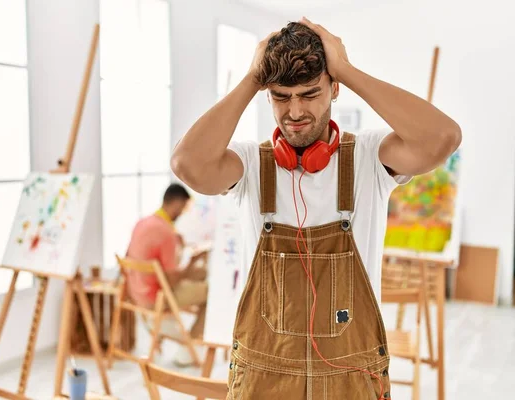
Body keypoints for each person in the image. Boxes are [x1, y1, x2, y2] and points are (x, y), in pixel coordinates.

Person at [171, 19, 460, 399]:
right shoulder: (249, 164)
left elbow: (443, 137)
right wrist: (251, 80)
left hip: (350, 379)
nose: (294, 112)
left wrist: (347, 70)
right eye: (280, 96)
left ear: (333, 88)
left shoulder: (371, 159)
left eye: (310, 94)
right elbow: (187, 165)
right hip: (263, 380)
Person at [125, 183, 209, 366]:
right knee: (211, 293)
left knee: (200, 274)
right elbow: (171, 280)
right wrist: (193, 262)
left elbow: (128, 255)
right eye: (184, 207)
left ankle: (183, 343)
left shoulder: (143, 222)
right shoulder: (166, 232)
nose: (183, 213)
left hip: (136, 293)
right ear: (177, 203)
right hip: (156, 298)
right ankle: (188, 349)